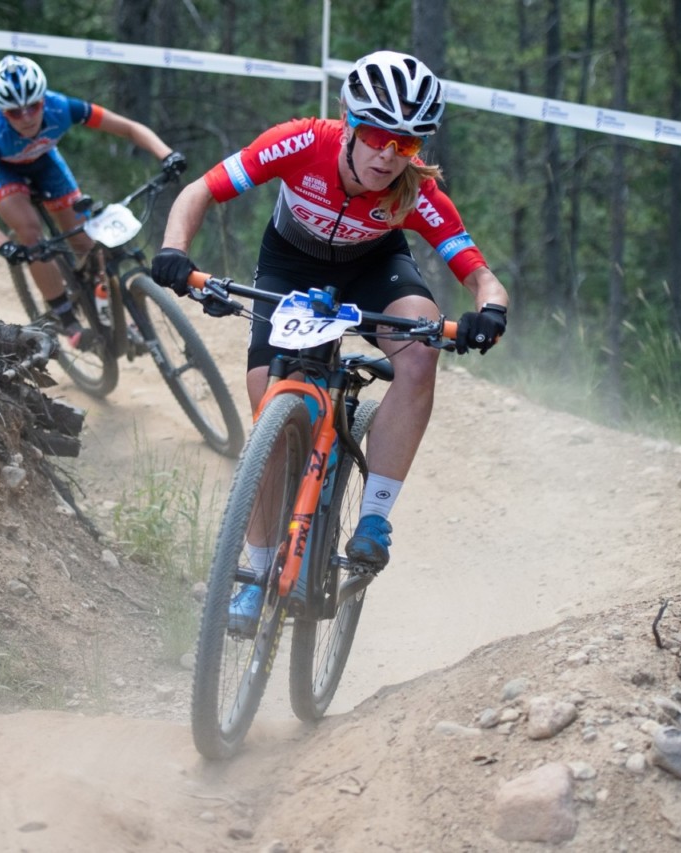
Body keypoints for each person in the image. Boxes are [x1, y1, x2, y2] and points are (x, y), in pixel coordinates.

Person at [150, 50, 509, 630]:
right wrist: (173, 250)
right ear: (348, 120)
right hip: (290, 265)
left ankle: (374, 520)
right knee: (268, 405)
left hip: (374, 269)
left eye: (407, 144)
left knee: (420, 351)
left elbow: (480, 275)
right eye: (375, 136)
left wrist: (489, 312)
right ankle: (256, 573)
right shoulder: (299, 143)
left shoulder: (414, 193)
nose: (388, 156)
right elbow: (200, 192)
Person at [0, 54, 186, 344]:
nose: (27, 117)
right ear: (2, 111)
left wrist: (166, 154)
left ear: (43, 100)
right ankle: (66, 318)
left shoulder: (62, 107)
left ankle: (102, 305)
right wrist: (5, 246)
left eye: (33, 106)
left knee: (85, 241)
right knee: (31, 234)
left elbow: (128, 128)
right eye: (14, 112)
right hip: (7, 173)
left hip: (45, 163)